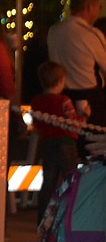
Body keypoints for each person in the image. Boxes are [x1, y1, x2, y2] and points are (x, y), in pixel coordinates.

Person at [31, 61, 84, 223]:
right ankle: (70, 217)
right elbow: (74, 123)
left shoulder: (37, 102)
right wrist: (85, 115)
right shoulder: (64, 101)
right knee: (71, 180)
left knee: (48, 182)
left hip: (47, 144)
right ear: (60, 81)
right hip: (66, 144)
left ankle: (43, 219)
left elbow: (37, 123)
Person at [48, 0, 106, 128]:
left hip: (60, 97)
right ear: (89, 7)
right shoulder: (91, 34)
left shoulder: (53, 31)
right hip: (89, 101)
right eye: (99, 6)